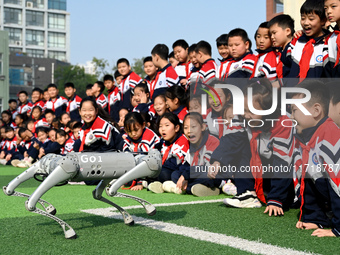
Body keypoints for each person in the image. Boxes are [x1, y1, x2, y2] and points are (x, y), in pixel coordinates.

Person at [222, 79, 295, 214]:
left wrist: (276, 199)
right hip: (265, 169)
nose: (245, 114)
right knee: (241, 146)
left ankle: (283, 196)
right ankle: (247, 193)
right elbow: (230, 141)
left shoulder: (283, 123)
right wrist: (218, 161)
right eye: (243, 109)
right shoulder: (245, 118)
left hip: (290, 176)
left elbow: (283, 163)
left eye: (250, 111)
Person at [291, 79, 340, 237]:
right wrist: (314, 218)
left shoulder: (331, 135)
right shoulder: (302, 138)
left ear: (315, 110)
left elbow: (337, 182)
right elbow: (308, 185)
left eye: (294, 110)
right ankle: (319, 218)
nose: (291, 116)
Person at [281, 0, 328, 85]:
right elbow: (285, 62)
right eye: (303, 18)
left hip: (317, 95)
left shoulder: (328, 43)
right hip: (294, 94)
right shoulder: (297, 41)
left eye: (311, 19)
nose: (306, 23)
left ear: (323, 21)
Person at [147, 113, 190, 194]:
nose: (163, 129)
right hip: (167, 169)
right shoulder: (162, 142)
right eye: (160, 126)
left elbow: (177, 163)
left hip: (179, 170)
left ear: (176, 128)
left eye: (167, 125)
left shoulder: (183, 141)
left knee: (165, 174)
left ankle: (171, 186)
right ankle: (161, 185)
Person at [183, 112, 221, 196]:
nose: (189, 131)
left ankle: (214, 189)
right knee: (175, 174)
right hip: (196, 175)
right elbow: (186, 164)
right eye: (186, 128)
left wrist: (186, 174)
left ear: (203, 127)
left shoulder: (212, 142)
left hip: (212, 174)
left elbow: (207, 167)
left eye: (193, 127)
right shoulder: (188, 143)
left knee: (207, 177)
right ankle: (193, 188)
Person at [268, 14, 295, 79]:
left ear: (287, 31)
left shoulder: (293, 49)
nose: (272, 37)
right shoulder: (281, 51)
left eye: (274, 33)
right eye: (271, 34)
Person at [323, 0, 340, 78]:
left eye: (333, 6)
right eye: (326, 8)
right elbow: (328, 70)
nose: (328, 11)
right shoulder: (330, 38)